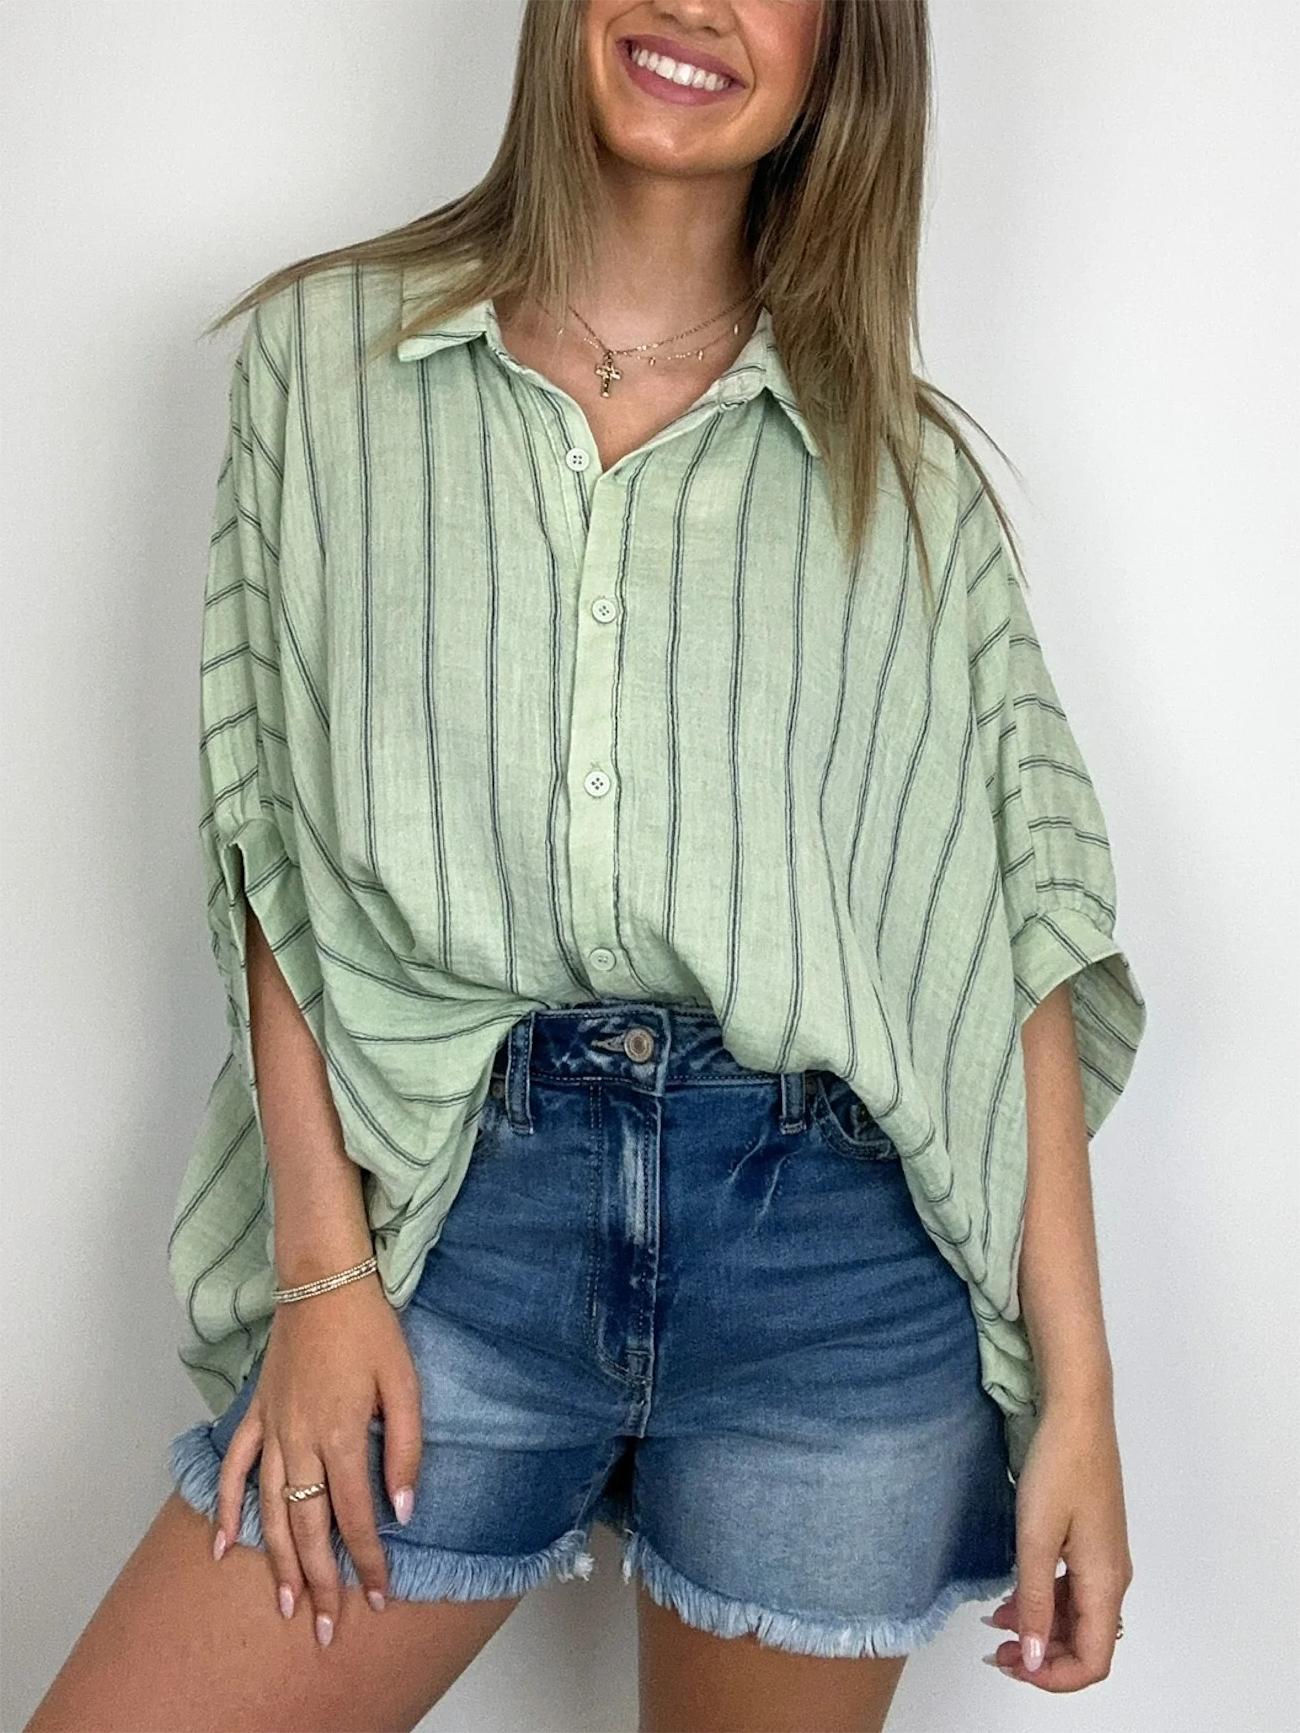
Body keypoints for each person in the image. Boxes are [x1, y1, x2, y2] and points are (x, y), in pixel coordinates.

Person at [27, 2, 1149, 1729]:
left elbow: (1015, 933)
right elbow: (269, 838)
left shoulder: (902, 478)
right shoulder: (329, 365)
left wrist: (1080, 1393)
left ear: (844, 48)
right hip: (454, 1223)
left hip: (832, 1278)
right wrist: (322, 1272)